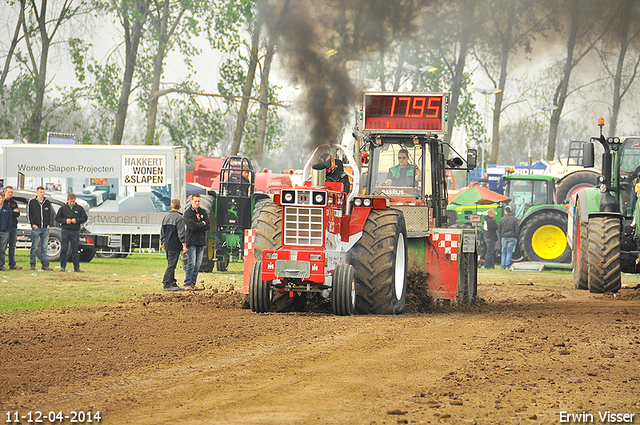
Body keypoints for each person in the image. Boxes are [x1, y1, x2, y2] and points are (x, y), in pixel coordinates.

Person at [55, 193, 88, 273]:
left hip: (75, 231)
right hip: (65, 230)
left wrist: (76, 221)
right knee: (64, 249)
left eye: (73, 201)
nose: (72, 203)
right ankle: (63, 266)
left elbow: (84, 218)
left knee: (75, 250)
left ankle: (76, 267)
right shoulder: (63, 208)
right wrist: (65, 221)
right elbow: (57, 218)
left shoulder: (79, 208)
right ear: (67, 200)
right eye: (70, 201)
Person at [183, 194, 210, 290]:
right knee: (191, 263)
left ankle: (193, 284)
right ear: (191, 201)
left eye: (198, 201)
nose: (197, 203)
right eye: (195, 201)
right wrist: (202, 224)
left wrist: (200, 225)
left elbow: (208, 226)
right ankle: (187, 283)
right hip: (191, 241)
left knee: (198, 264)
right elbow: (192, 227)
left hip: (201, 241)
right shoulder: (188, 213)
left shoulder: (203, 212)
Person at [161, 199, 187, 291]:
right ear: (180, 207)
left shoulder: (166, 217)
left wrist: (162, 242)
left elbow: (162, 232)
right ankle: (167, 284)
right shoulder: (180, 218)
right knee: (172, 265)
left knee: (170, 264)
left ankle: (172, 282)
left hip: (167, 244)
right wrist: (184, 245)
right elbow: (181, 233)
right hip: (174, 245)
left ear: (171, 206)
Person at [28, 186, 54, 271]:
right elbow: (29, 214)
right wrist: (32, 224)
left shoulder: (47, 202)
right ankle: (33, 263)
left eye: (43, 192)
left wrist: (49, 224)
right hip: (36, 227)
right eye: (41, 192)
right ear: (37, 192)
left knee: (44, 247)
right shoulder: (32, 202)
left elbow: (50, 214)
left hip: (45, 228)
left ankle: (44, 264)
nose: (42, 194)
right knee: (34, 246)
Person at [4, 186, 22, 270]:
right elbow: (5, 213)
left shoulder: (14, 202)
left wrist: (10, 212)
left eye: (11, 192)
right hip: (4, 227)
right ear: (5, 192)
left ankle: (12, 264)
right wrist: (11, 211)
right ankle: (2, 264)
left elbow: (17, 214)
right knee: (3, 246)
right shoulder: (2, 202)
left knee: (12, 246)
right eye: (8, 192)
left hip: (13, 226)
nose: (10, 194)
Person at [498, 205, 519, 270]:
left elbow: (499, 230)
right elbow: (517, 229)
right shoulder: (514, 219)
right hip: (512, 237)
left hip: (504, 237)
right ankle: (507, 266)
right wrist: (516, 236)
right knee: (509, 251)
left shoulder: (502, 219)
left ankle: (502, 266)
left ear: (505, 211)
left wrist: (502, 235)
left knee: (503, 251)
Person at [0, 193, 12, 271]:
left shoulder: (7, 208)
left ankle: (1, 265)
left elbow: (10, 220)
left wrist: (8, 231)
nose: (1, 200)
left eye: (2, 198)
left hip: (4, 232)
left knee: (2, 249)